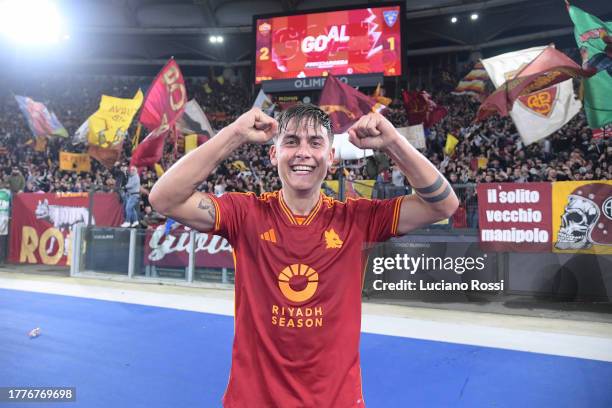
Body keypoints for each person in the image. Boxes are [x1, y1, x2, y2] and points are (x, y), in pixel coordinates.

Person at [149, 104, 458, 407]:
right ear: (273, 154)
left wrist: (393, 142)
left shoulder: (358, 219)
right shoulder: (245, 214)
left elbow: (442, 206)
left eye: (315, 142)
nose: (303, 153)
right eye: (291, 142)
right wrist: (234, 134)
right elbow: (164, 199)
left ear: (331, 157)